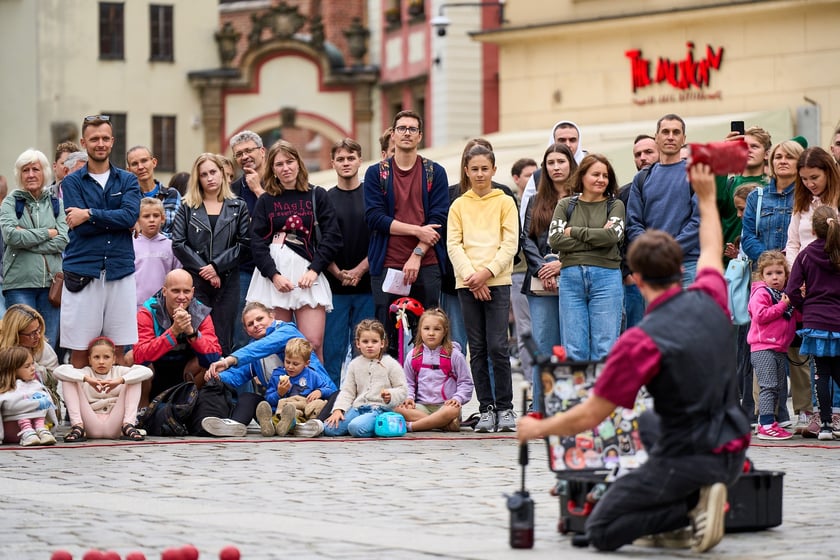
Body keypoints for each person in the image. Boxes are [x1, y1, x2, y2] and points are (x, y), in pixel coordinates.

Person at [517, 162, 750, 553]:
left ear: (636, 278)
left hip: (692, 458)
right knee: (649, 420)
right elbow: (711, 248)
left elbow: (591, 415)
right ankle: (692, 494)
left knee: (600, 529)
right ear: (679, 268)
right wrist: (707, 199)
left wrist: (536, 428)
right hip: (735, 443)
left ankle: (693, 505)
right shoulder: (711, 295)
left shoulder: (641, 340)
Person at [363, 110, 449, 358]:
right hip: (387, 264)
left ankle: (427, 381)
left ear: (420, 136)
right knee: (385, 337)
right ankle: (389, 382)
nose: (407, 133)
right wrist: (416, 230)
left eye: (412, 129)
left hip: (427, 263)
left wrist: (417, 254)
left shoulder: (435, 172)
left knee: (429, 334)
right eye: (402, 128)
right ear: (393, 134)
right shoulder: (376, 173)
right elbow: (375, 218)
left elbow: (439, 220)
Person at [247, 140, 342, 361]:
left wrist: (314, 270)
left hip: (308, 273)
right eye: (279, 164)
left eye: (289, 162)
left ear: (298, 163)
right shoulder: (266, 200)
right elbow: (257, 242)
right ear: (272, 169)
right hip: (274, 277)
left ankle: (316, 384)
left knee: (312, 343)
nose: (285, 168)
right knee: (280, 346)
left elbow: (332, 237)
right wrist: (274, 275)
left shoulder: (317, 194)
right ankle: (282, 384)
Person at [447, 144, 518, 432]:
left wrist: (487, 273)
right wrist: (471, 276)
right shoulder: (458, 205)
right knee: (476, 348)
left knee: (498, 346)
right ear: (466, 171)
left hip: (497, 281)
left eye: (484, 169)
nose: (479, 174)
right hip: (468, 283)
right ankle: (486, 407)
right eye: (474, 169)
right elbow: (454, 244)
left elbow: (510, 243)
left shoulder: (505, 202)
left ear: (493, 170)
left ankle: (506, 407)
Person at [60, 114, 141, 368]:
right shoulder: (71, 182)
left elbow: (130, 215)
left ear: (113, 141)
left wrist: (89, 213)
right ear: (84, 143)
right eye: (94, 139)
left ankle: (116, 396)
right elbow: (81, 229)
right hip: (83, 271)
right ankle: (78, 398)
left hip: (120, 270)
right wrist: (116, 220)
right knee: (80, 351)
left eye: (105, 138)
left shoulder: (128, 180)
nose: (101, 144)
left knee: (118, 351)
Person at [784, 147, 840, 433]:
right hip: (810, 284)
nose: (809, 184)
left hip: (834, 285)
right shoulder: (802, 204)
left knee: (834, 358)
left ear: (829, 172)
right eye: (804, 179)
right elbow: (793, 243)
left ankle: (835, 413)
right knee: (820, 359)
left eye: (814, 177)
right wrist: (799, 274)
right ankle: (822, 414)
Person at [172, 153, 250, 355]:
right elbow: (178, 243)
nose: (210, 178)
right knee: (198, 338)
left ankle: (221, 376)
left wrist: (216, 266)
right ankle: (198, 375)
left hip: (228, 281)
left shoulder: (238, 206)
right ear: (197, 179)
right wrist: (206, 270)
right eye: (204, 174)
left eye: (213, 172)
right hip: (196, 282)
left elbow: (245, 244)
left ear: (222, 173)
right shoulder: (187, 206)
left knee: (224, 339)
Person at [549, 154, 625, 361]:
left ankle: (603, 385)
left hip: (607, 280)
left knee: (605, 350)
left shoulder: (615, 205)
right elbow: (555, 240)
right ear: (582, 176)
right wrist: (598, 237)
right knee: (574, 351)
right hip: (571, 280)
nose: (601, 179)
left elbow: (613, 236)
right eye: (595, 174)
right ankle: (580, 386)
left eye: (605, 176)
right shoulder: (565, 205)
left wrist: (574, 231)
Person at [205, 302, 330, 412]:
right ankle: (234, 425)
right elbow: (238, 374)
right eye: (250, 324)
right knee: (247, 398)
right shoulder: (253, 348)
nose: (256, 324)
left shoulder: (287, 330)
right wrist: (217, 376)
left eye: (260, 319)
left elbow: (265, 346)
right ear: (246, 330)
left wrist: (228, 361)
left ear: (272, 315)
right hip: (281, 403)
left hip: (317, 398)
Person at [1, 149, 69, 346]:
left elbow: (63, 240)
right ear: (19, 175)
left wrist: (26, 239)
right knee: (21, 344)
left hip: (51, 286)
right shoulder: (10, 202)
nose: (30, 174)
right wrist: (48, 232)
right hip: (19, 285)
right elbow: (11, 237)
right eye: (25, 170)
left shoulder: (57, 203)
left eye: (35, 169)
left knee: (47, 344)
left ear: (44, 172)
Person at [626, 114, 700, 287]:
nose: (670, 137)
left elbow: (699, 221)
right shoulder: (642, 178)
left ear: (683, 139)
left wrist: (667, 252)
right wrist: (652, 253)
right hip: (652, 267)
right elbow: (633, 223)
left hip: (687, 265)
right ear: (657, 138)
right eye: (665, 132)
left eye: (676, 132)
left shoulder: (695, 174)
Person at [323, 138, 374, 386]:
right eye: (341, 159)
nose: (346, 163)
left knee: (365, 349)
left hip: (368, 287)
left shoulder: (373, 196)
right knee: (332, 350)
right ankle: (330, 399)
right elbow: (319, 242)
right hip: (334, 288)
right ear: (332, 162)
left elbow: (380, 240)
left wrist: (359, 270)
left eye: (351, 158)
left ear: (360, 161)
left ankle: (362, 398)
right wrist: (337, 272)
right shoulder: (325, 199)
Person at [132, 269, 222, 405]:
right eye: (175, 291)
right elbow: (139, 355)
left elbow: (214, 355)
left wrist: (192, 332)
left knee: (216, 365)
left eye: (186, 291)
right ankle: (142, 411)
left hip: (186, 371)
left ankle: (187, 405)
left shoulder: (201, 312)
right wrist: (173, 332)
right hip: (155, 370)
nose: (181, 296)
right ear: (164, 291)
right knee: (130, 359)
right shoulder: (148, 311)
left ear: (193, 292)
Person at [521, 144, 578, 360]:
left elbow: (586, 238)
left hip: (574, 275)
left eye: (561, 162)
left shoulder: (583, 199)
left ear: (571, 165)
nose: (556, 167)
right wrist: (543, 269)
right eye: (550, 163)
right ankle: (543, 386)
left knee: (573, 345)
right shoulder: (535, 200)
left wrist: (562, 265)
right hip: (540, 282)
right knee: (544, 346)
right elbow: (526, 238)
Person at [53, 337, 153, 442]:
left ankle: (129, 425)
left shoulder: (119, 371)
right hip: (90, 423)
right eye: (96, 357)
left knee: (134, 378)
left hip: (116, 424)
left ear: (114, 359)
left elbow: (146, 372)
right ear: (89, 359)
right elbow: (59, 371)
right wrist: (87, 379)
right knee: (68, 378)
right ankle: (77, 426)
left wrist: (120, 380)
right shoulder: (86, 372)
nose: (101, 362)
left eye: (106, 357)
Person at [324, 319, 408, 437]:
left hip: (379, 410)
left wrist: (391, 395)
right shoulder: (354, 364)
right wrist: (338, 409)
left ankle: (377, 426)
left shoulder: (391, 364)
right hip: (357, 409)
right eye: (365, 341)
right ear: (358, 343)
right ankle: (360, 425)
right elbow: (347, 391)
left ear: (382, 343)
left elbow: (403, 389)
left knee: (355, 427)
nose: (369, 345)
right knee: (329, 428)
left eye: (374, 341)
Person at [747, 251, 798, 441]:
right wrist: (783, 306)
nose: (775, 277)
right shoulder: (761, 293)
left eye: (779, 273)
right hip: (763, 347)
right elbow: (761, 315)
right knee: (768, 386)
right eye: (769, 273)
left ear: (786, 275)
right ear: (762, 276)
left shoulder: (783, 295)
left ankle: (771, 422)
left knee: (777, 387)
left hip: (779, 348)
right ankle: (766, 425)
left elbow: (795, 317)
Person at [396, 308, 472, 432]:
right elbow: (408, 382)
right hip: (421, 406)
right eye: (426, 328)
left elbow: (466, 383)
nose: (431, 333)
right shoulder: (413, 355)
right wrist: (409, 397)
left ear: (445, 331)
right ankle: (443, 424)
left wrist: (457, 398)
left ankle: (412, 426)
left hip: (445, 406)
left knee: (453, 410)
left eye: (437, 329)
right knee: (396, 408)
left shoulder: (455, 355)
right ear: (420, 330)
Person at [228, 130, 266, 349]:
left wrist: (258, 190)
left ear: (262, 151)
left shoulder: (279, 183)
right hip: (244, 269)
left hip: (277, 270)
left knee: (276, 329)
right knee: (243, 333)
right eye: (239, 154)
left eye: (249, 150)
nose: (244, 157)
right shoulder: (231, 192)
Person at [618, 134, 658, 330]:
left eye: (648, 152)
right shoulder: (623, 194)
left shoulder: (679, 185)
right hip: (635, 280)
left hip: (670, 274)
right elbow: (619, 237)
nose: (643, 157)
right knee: (637, 334)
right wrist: (627, 273)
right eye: (638, 154)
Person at [265, 337, 337, 437]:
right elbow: (268, 399)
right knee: (278, 415)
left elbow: (329, 390)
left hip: (302, 412)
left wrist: (320, 391)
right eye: (287, 362)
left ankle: (284, 425)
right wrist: (279, 393)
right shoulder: (277, 375)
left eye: (295, 364)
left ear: (306, 363)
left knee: (301, 416)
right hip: (282, 410)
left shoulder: (312, 375)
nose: (290, 366)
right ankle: (269, 426)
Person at [519, 120, 587, 224]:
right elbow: (525, 217)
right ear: (553, 141)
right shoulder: (538, 176)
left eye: (572, 140)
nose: (568, 144)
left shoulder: (589, 172)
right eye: (562, 140)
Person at [0, 304, 61, 417]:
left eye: (38, 330)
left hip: (36, 398)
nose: (38, 336)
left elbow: (54, 377)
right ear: (15, 333)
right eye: (32, 333)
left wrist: (32, 368)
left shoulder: (42, 346)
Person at [509, 158, 538, 378]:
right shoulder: (511, 204)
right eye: (529, 175)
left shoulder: (541, 202)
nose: (534, 180)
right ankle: (531, 380)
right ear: (516, 178)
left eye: (536, 175)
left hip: (541, 271)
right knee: (525, 329)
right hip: (519, 272)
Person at [0, 346, 57, 446]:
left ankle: (40, 429)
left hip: (37, 425)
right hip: (13, 431)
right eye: (27, 366)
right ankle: (28, 431)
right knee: (27, 407)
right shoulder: (6, 391)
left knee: (38, 405)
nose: (33, 368)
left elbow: (48, 404)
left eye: (32, 363)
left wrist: (53, 424)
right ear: (13, 370)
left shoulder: (36, 384)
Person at [133, 197, 180, 308]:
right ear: (138, 220)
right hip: (135, 305)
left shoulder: (171, 246)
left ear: (163, 218)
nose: (152, 220)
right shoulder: (130, 245)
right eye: (146, 216)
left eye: (156, 215)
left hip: (163, 306)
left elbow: (177, 276)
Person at [126, 146, 182, 238]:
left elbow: (180, 232)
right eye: (135, 164)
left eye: (144, 161)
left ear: (154, 162)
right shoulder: (128, 199)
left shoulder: (172, 195)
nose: (140, 167)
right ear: (129, 170)